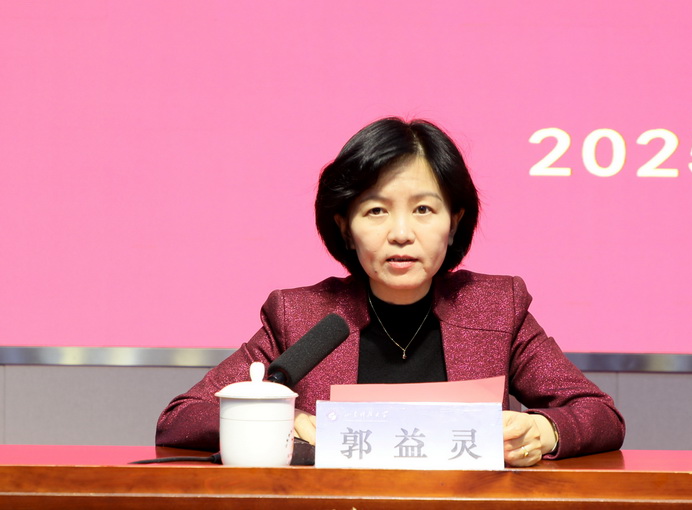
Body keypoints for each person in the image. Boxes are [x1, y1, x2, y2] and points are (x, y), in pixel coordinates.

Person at [156, 117, 625, 466]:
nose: (401, 234)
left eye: (423, 210)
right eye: (376, 211)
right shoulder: (301, 316)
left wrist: (542, 430)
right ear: (345, 227)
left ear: (454, 222)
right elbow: (181, 417)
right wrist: (276, 418)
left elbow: (598, 413)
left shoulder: (496, 308)